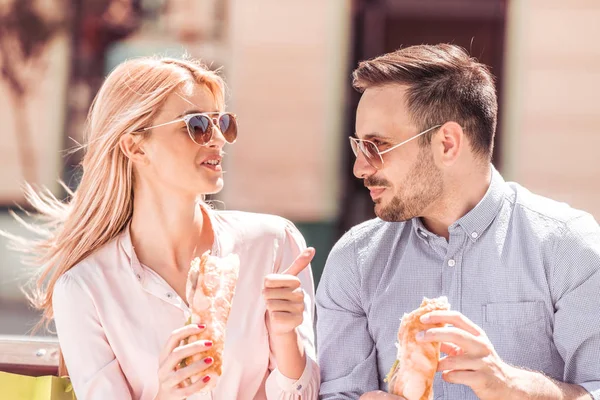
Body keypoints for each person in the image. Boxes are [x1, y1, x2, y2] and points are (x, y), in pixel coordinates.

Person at [4, 56, 320, 400]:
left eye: (223, 123)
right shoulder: (84, 288)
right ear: (135, 146)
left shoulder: (272, 244)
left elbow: (306, 395)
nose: (218, 139)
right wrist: (165, 394)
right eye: (197, 125)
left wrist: (287, 336)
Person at [316, 44, 600, 400]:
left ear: (447, 143)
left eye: (377, 146)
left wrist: (511, 385)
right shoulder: (354, 260)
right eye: (359, 148)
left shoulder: (567, 246)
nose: (360, 168)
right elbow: (337, 393)